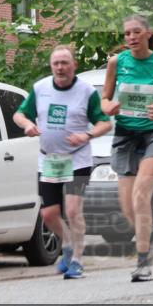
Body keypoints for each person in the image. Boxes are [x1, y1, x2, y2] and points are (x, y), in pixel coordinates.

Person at [14, 45, 112, 278]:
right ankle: (67, 244)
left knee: (73, 210)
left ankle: (77, 259)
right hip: (48, 160)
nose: (60, 67)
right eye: (56, 63)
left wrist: (87, 135)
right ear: (51, 66)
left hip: (77, 159)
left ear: (74, 65)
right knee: (48, 214)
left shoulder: (87, 91)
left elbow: (105, 123)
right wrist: (27, 125)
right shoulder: (40, 88)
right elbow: (19, 114)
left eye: (64, 63)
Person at [101, 14, 153, 282]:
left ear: (149, 33)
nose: (131, 38)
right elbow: (103, 99)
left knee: (140, 195)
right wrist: (108, 107)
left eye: (136, 32)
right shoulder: (116, 63)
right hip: (125, 135)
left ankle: (143, 264)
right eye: (127, 34)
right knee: (127, 208)